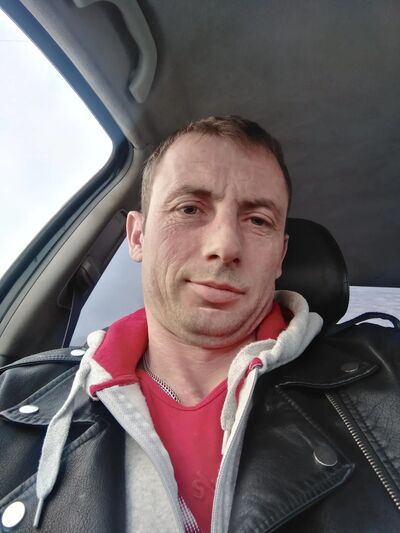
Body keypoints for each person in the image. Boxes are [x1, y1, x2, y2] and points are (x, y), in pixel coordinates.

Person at [1, 116, 400, 532]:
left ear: (280, 257)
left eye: (258, 220)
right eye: (189, 209)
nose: (225, 246)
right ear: (137, 237)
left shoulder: (389, 371)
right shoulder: (13, 400)